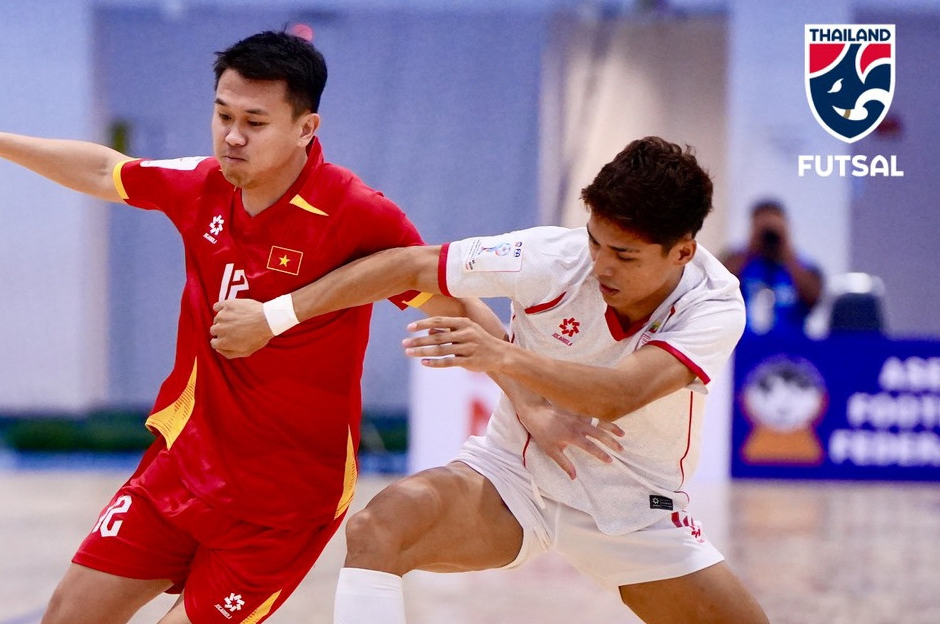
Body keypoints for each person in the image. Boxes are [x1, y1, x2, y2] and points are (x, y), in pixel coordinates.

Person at [0, 31, 500, 624]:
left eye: (254, 121)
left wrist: (539, 402)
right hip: (183, 466)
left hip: (283, 503)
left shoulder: (354, 214)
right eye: (222, 115)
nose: (233, 136)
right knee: (67, 616)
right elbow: (104, 170)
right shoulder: (202, 185)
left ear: (306, 128)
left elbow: (458, 305)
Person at [210, 137, 771, 623]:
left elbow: (620, 394)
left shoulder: (714, 305)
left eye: (623, 255)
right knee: (377, 531)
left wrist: (501, 357)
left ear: (682, 253)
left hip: (635, 507)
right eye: (595, 241)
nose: (600, 265)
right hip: (515, 477)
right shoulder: (554, 256)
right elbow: (407, 264)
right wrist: (272, 316)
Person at [722, 199, 823, 337]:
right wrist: (751, 247)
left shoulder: (802, 266)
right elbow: (719, 288)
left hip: (791, 347)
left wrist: (786, 250)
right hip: (742, 346)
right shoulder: (737, 260)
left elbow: (814, 298)